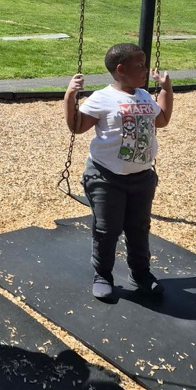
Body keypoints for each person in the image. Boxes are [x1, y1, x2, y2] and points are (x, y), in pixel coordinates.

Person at [64, 42, 173, 301]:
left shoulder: (145, 96)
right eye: (140, 65)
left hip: (142, 177)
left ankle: (141, 273)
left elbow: (163, 120)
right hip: (106, 177)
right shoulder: (103, 98)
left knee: (139, 227)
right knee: (106, 228)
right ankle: (103, 274)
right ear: (121, 69)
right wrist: (69, 96)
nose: (145, 70)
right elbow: (77, 126)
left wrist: (166, 89)